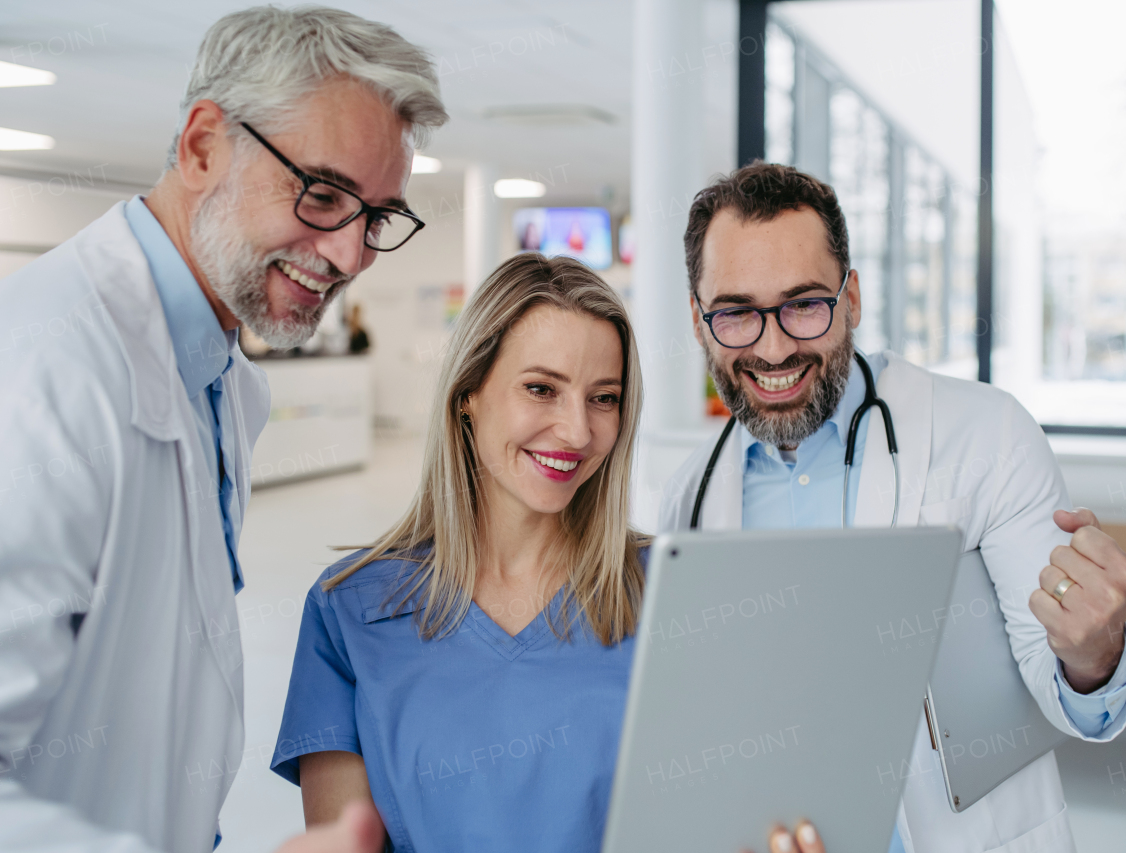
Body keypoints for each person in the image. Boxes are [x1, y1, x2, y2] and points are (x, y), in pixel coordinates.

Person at [0, 7, 446, 851]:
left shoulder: (225, 385)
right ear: (203, 146)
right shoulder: (42, 371)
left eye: (378, 216)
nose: (351, 256)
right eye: (322, 194)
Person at [659, 163, 1126, 853]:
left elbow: (1067, 689)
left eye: (803, 304)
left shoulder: (985, 434)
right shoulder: (691, 498)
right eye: (736, 312)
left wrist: (1093, 651)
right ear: (700, 320)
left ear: (851, 298)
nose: (772, 347)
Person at [271, 253, 817, 853]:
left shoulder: (674, 592)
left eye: (603, 398)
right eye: (541, 389)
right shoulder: (349, 610)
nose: (577, 432)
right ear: (467, 395)